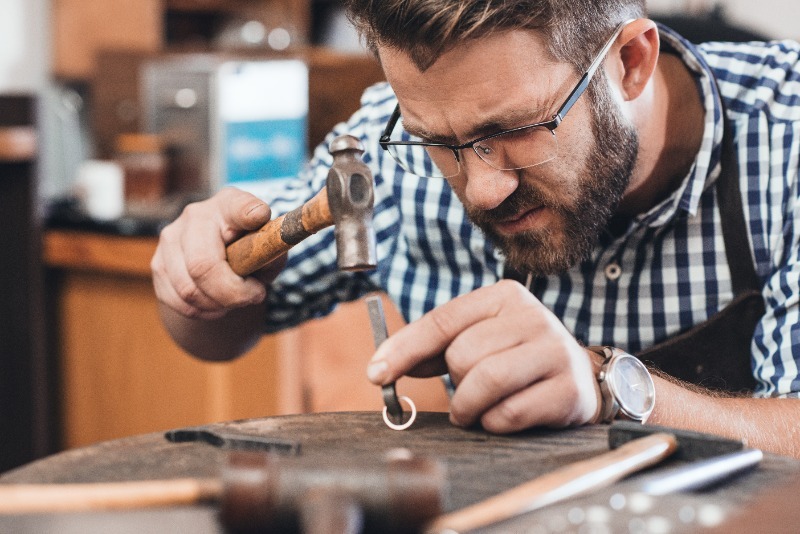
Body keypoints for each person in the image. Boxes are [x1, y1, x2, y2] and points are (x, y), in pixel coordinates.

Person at [151, 0, 800, 457]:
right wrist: (194, 276)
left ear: (630, 61)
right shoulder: (385, 150)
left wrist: (610, 387)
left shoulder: (787, 139)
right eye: (439, 142)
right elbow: (217, 335)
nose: (484, 189)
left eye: (514, 130)